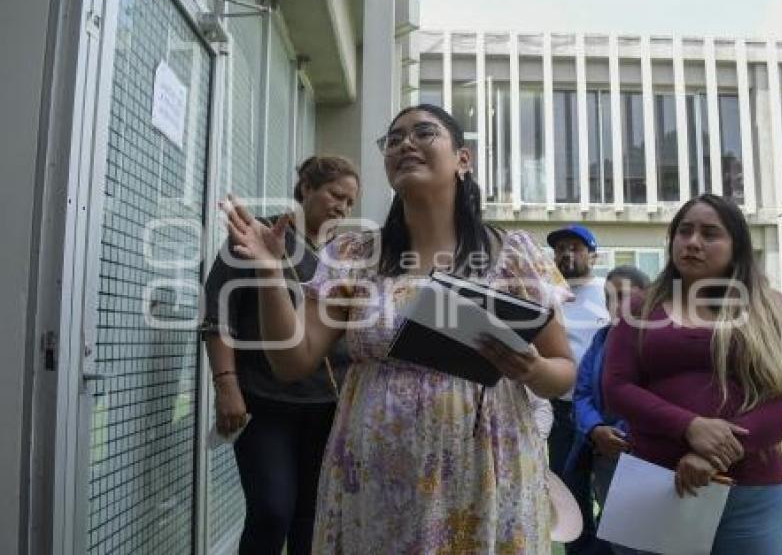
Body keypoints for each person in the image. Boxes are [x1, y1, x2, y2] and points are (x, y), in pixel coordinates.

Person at [220, 104, 577, 552]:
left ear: (463, 160)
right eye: (393, 139)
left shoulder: (512, 252)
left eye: (424, 132)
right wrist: (271, 273)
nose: (405, 143)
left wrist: (532, 370)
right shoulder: (353, 253)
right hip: (377, 475)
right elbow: (292, 361)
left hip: (486, 467)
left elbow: (564, 369)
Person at [604, 194, 782, 554]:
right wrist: (689, 426)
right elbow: (617, 387)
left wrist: (715, 454)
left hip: (750, 490)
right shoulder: (640, 309)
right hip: (654, 483)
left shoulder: (775, 309)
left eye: (710, 233)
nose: (693, 242)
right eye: (684, 232)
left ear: (737, 246)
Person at [201, 156, 360, 555]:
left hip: (328, 408)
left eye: (350, 203)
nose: (342, 208)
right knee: (272, 511)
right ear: (306, 187)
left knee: (313, 517)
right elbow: (217, 316)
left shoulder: (342, 257)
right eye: (335, 195)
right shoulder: (260, 235)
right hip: (265, 403)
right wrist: (226, 386)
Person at [564, 265, 649, 553]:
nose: (616, 304)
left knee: (644, 539)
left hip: (645, 459)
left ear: (647, 298)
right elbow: (582, 392)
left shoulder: (658, 341)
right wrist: (596, 429)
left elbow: (658, 396)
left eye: (624, 295)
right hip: (604, 457)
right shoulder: (602, 339)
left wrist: (623, 434)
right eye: (609, 296)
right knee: (616, 537)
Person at [546, 224, 610, 554]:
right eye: (560, 249)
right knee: (569, 493)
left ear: (592, 255)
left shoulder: (608, 292)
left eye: (576, 247)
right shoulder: (547, 295)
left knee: (611, 491)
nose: (567, 253)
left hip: (602, 414)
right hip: (559, 412)